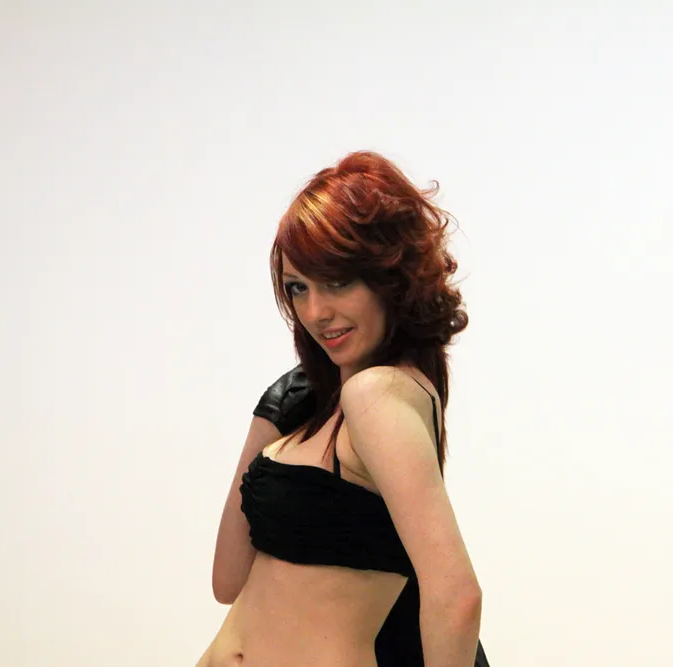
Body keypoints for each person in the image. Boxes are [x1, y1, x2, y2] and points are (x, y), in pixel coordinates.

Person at [198, 151, 486, 667]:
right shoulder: (321, 408)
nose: (315, 312)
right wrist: (269, 421)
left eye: (337, 282)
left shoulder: (376, 395)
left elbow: (457, 597)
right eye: (298, 288)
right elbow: (227, 580)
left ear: (391, 277)